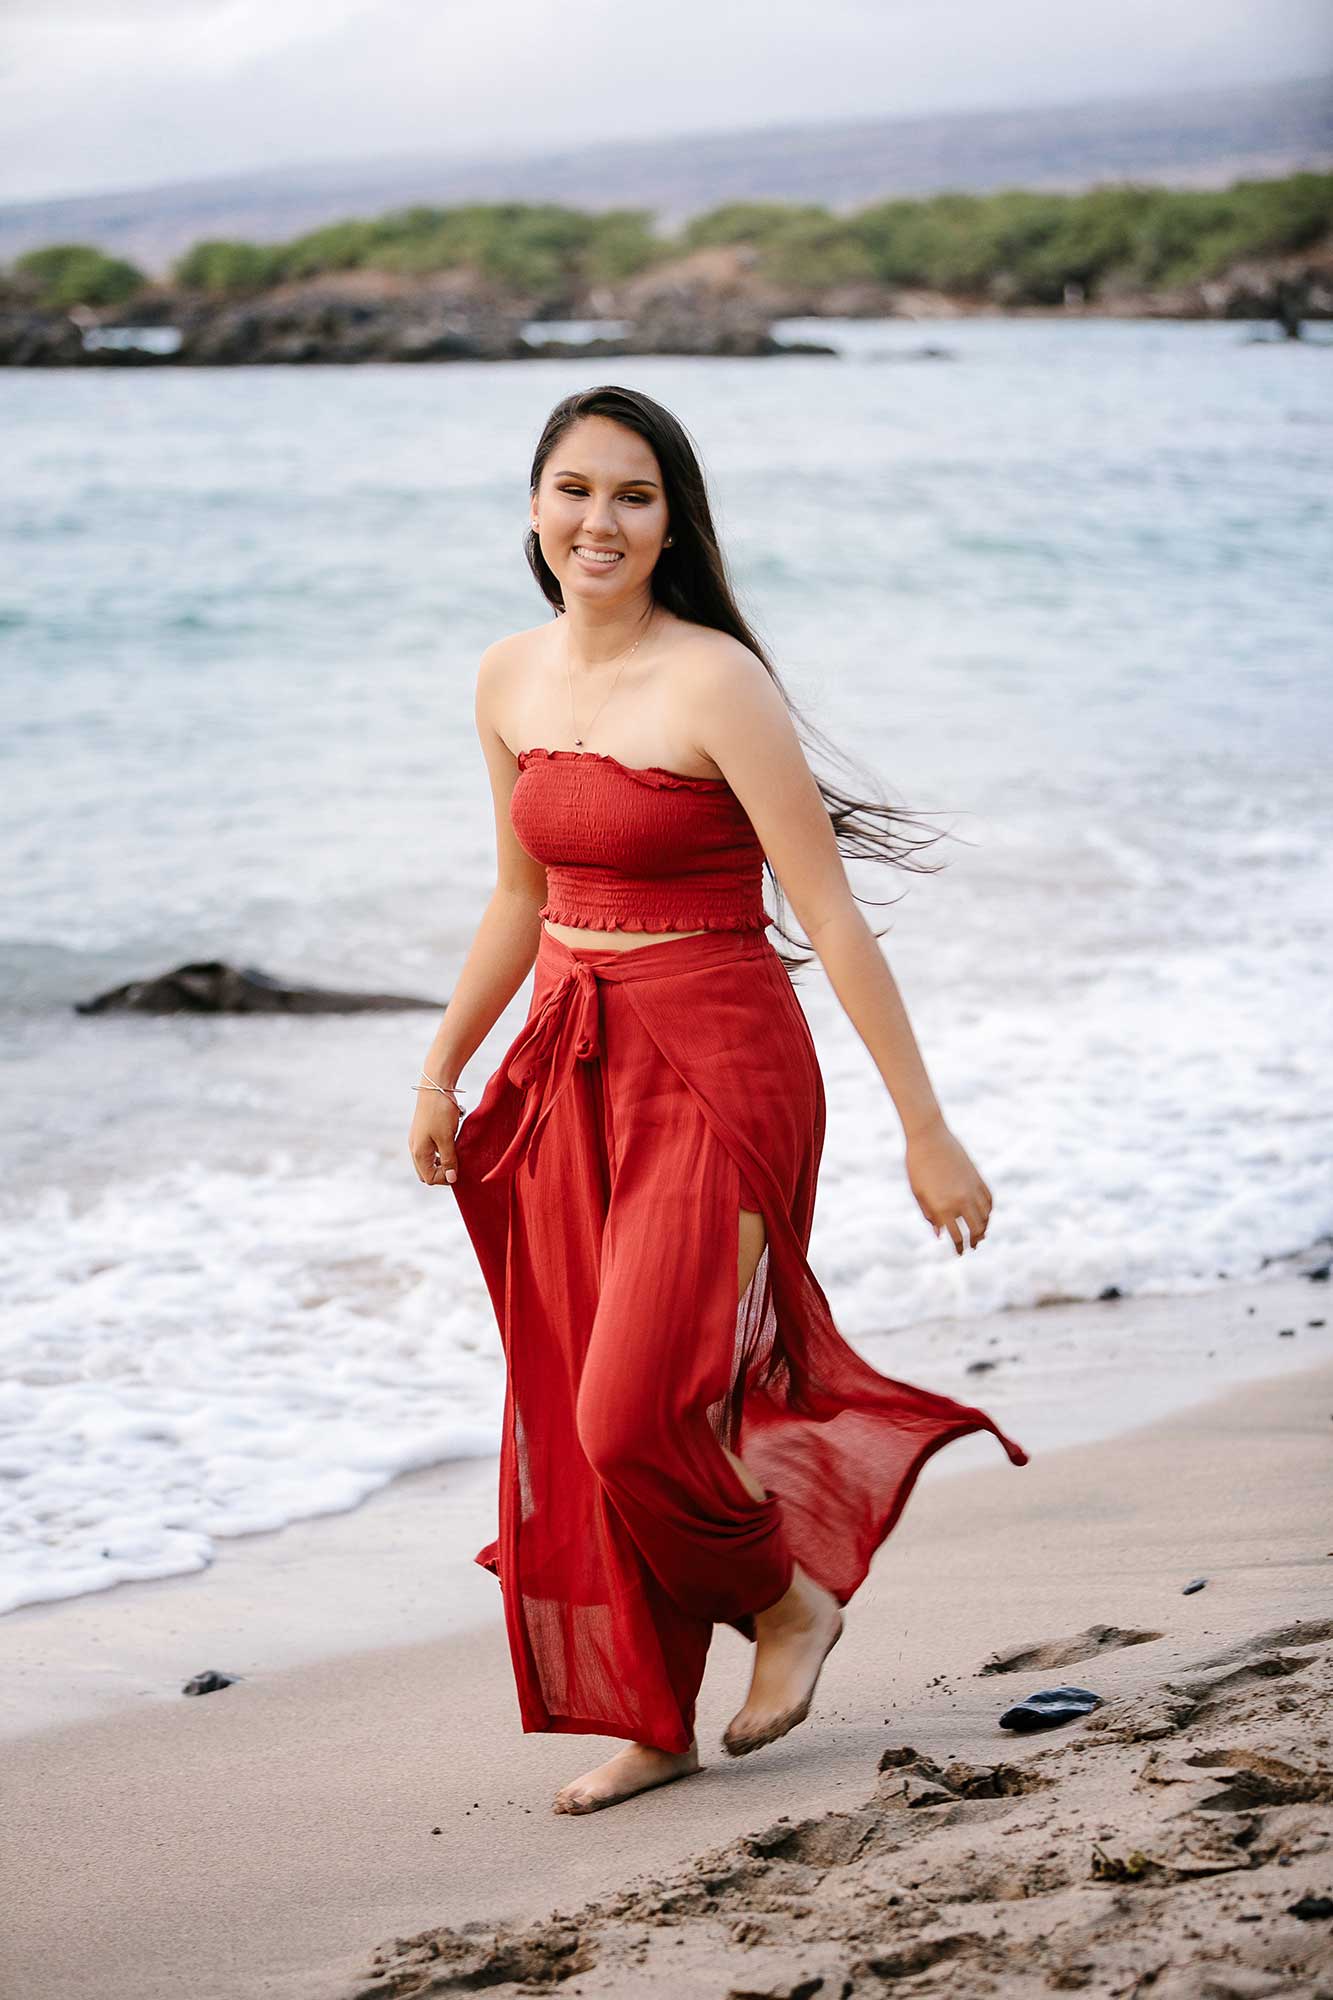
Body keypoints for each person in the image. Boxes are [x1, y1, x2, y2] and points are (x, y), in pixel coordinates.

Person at [408, 385, 1027, 1817]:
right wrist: (441, 1068)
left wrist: (923, 1128)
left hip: (718, 1061)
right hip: (566, 1059)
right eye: (572, 490)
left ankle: (787, 1603)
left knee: (634, 1410)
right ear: (530, 506)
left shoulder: (715, 681)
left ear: (672, 518)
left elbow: (830, 913)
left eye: (631, 496)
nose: (597, 521)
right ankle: (652, 1719)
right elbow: (518, 896)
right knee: (578, 1406)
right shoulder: (504, 675)